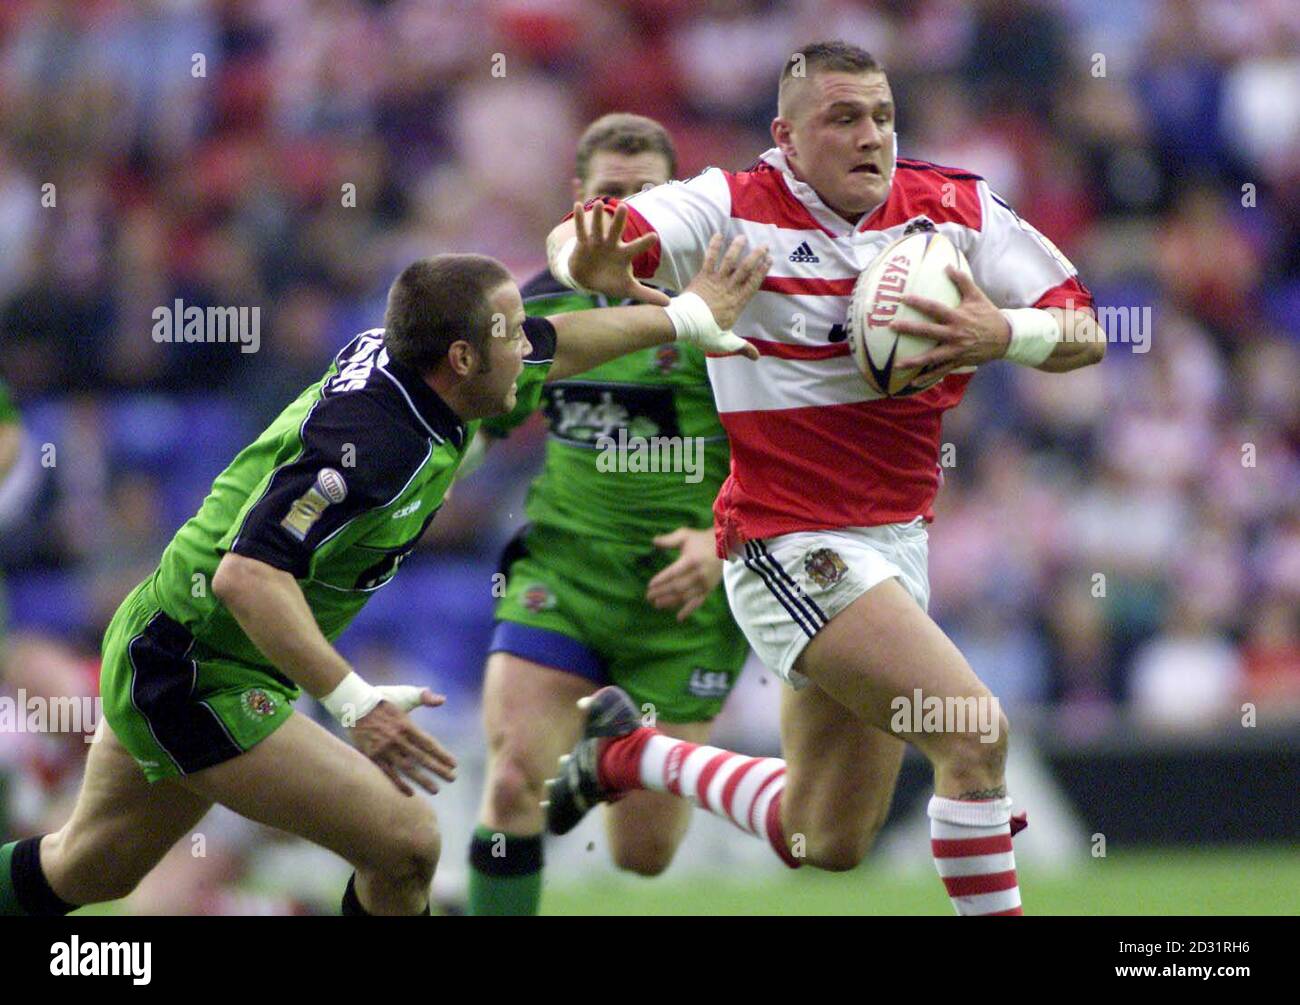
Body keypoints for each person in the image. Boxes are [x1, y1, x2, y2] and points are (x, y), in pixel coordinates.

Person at [0, 241, 769, 918]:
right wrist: (355, 701)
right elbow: (248, 576)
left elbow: (558, 340)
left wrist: (686, 318)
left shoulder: (441, 373)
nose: (525, 343)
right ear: (463, 358)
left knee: (85, 868)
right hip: (193, 666)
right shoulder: (374, 441)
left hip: (173, 642)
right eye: (507, 332)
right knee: (405, 844)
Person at [542, 40, 1106, 916]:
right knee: (973, 733)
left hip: (894, 544)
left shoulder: (955, 206)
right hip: (785, 538)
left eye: (882, 115)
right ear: (788, 135)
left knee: (823, 837)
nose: (870, 136)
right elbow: (582, 242)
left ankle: (633, 755)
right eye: (843, 117)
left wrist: (1007, 334)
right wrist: (591, 260)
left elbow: (1084, 326)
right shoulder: (730, 205)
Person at [466, 114, 751, 915]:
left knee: (642, 856)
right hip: (564, 570)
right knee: (516, 777)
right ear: (577, 201)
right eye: (608, 197)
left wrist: (721, 543)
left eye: (646, 197)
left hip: (687, 596)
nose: (625, 217)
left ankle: (609, 756)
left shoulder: (721, 302)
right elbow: (473, 422)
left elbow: (787, 454)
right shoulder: (537, 305)